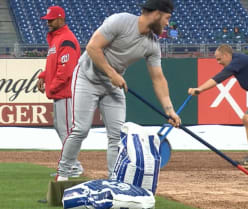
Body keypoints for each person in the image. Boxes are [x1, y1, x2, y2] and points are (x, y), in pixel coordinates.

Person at [55, 0, 181, 181]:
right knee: (80, 129)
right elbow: (92, 47)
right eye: (167, 18)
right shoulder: (121, 21)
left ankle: (114, 182)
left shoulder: (153, 44)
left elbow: (158, 79)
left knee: (117, 136)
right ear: (156, 13)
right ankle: (63, 175)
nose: (167, 24)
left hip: (112, 86)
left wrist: (170, 111)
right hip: (86, 78)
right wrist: (112, 73)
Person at [37, 6, 83, 177]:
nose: (48, 22)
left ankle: (73, 167)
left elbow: (66, 70)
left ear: (61, 19)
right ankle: (72, 165)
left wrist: (52, 86)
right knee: (61, 128)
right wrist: (43, 75)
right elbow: (54, 63)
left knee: (66, 131)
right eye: (47, 20)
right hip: (60, 92)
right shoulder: (56, 39)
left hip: (65, 92)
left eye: (51, 19)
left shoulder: (66, 39)